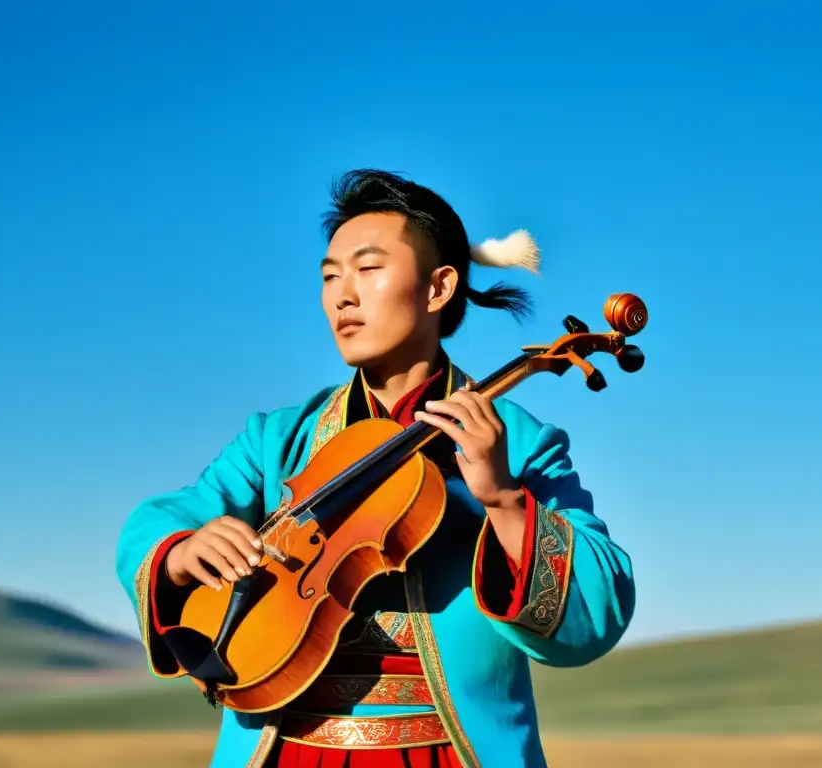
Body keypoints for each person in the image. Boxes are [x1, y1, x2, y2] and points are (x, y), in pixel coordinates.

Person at [115, 169, 636, 768]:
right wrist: (182, 552)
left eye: (367, 270)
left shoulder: (517, 442)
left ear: (439, 288)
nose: (342, 295)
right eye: (330, 277)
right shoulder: (281, 438)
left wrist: (505, 501)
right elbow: (157, 521)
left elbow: (601, 608)